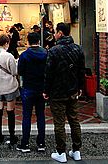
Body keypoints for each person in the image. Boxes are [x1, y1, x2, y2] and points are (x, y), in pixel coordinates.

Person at [44, 23, 85, 162]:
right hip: (73, 91)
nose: (54, 34)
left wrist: (46, 90)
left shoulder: (54, 51)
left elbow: (48, 73)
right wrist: (80, 87)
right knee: (74, 120)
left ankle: (61, 152)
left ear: (60, 33)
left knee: (59, 123)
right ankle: (76, 150)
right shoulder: (78, 49)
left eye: (56, 32)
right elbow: (81, 71)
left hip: (57, 92)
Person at [16, 32, 48, 153]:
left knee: (27, 116)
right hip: (41, 88)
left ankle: (25, 144)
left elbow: (20, 71)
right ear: (39, 41)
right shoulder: (46, 53)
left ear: (28, 42)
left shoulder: (24, 55)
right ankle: (41, 143)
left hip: (28, 88)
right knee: (41, 115)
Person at [0, 34, 20, 145]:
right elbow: (14, 72)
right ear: (6, 43)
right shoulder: (9, 56)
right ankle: (12, 136)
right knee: (10, 111)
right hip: (9, 87)